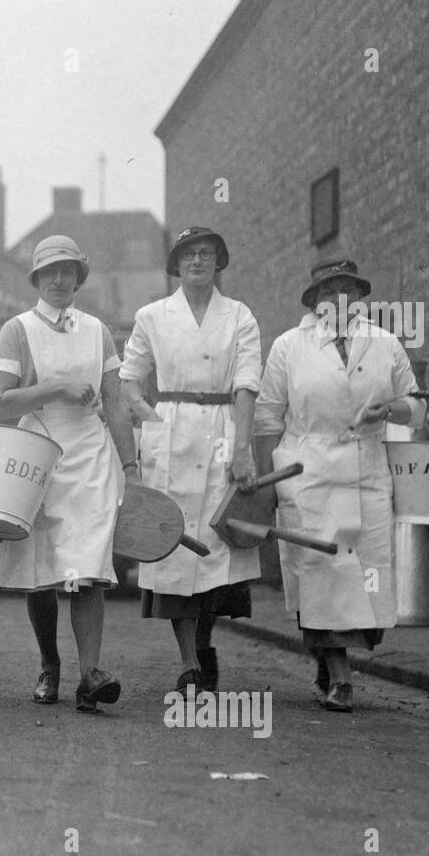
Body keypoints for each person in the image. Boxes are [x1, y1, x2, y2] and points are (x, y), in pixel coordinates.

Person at [0, 237, 136, 712]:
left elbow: (117, 403)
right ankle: (50, 664)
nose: (60, 280)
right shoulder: (17, 329)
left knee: (88, 568)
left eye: (68, 272)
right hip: (35, 454)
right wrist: (56, 387)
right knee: (42, 570)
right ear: (37, 279)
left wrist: (131, 467)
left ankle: (90, 675)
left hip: (90, 454)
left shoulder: (98, 330)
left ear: (79, 278)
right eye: (50, 272)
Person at [254, 256, 424, 712]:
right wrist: (267, 481)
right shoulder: (290, 346)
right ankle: (342, 676)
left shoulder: (385, 343)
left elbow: (416, 405)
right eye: (329, 292)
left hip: (367, 469)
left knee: (363, 573)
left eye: (347, 290)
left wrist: (390, 409)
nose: (338, 300)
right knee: (323, 573)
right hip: (308, 471)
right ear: (314, 301)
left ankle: (329, 662)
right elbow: (268, 415)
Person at [120, 226, 261, 694]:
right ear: (176, 265)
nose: (197, 261)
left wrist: (242, 449)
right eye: (188, 255)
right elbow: (129, 382)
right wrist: (153, 422)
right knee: (176, 548)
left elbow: (246, 385)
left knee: (217, 549)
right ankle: (188, 666)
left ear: (218, 262)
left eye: (206, 254)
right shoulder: (152, 316)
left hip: (221, 430)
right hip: (173, 433)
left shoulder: (239, 316)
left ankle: (203, 644)